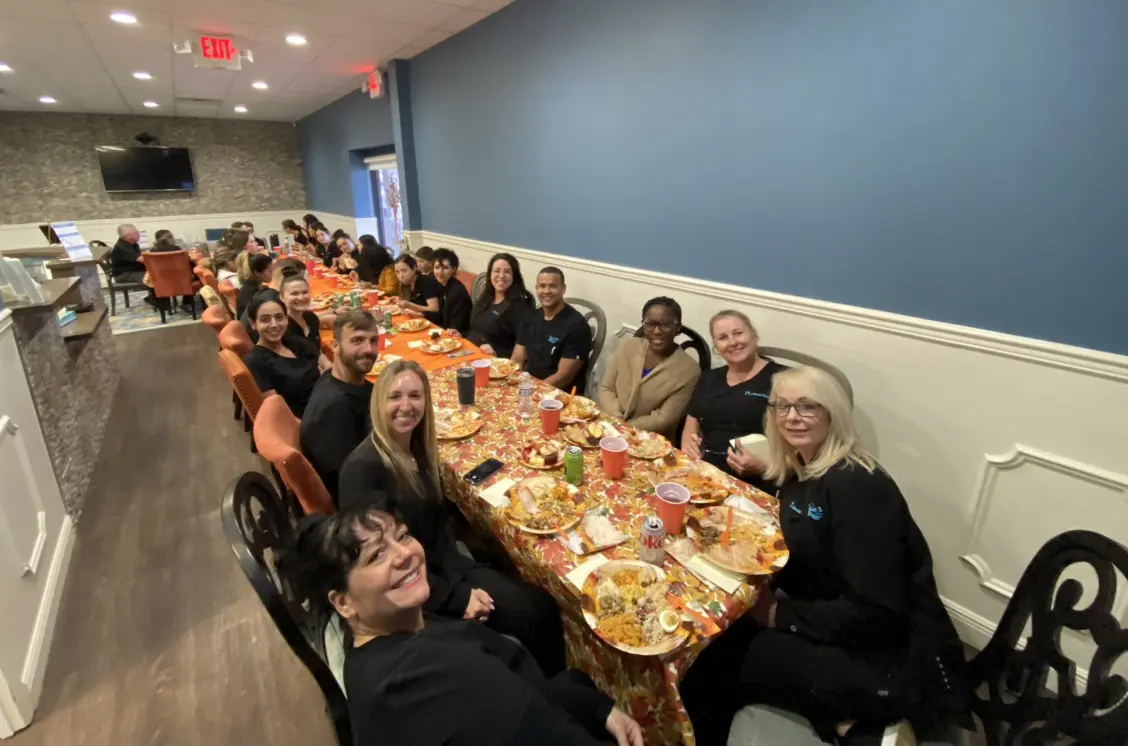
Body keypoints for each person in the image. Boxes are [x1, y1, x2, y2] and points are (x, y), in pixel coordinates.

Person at [680, 367, 971, 746]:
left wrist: (777, 614)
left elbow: (878, 612)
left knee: (714, 664)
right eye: (782, 406)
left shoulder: (857, 487)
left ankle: (867, 720)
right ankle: (835, 716)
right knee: (716, 638)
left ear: (833, 413)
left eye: (807, 406)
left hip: (882, 655)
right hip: (831, 616)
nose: (792, 416)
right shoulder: (805, 468)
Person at [278, 496, 644, 746]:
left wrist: (597, 709)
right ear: (344, 603)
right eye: (376, 556)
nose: (405, 554)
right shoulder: (428, 680)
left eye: (402, 536)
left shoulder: (389, 631)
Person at [339, 360, 566, 676]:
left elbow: (436, 529)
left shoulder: (415, 449)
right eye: (395, 397)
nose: (406, 406)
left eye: (415, 396)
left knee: (538, 596)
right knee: (536, 614)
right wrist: (457, 598)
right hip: (417, 594)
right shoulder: (365, 470)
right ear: (379, 403)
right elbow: (384, 566)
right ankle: (547, 695)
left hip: (444, 565)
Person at [681, 309, 786, 492]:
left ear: (754, 335)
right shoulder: (708, 378)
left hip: (755, 483)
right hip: (703, 475)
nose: (733, 342)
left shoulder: (782, 379)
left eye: (738, 333)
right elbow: (691, 424)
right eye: (723, 337)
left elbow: (802, 448)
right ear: (716, 347)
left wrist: (765, 465)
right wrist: (688, 447)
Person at [300, 310, 380, 504]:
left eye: (373, 340)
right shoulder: (336, 408)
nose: (368, 349)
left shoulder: (329, 377)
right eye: (357, 340)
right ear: (335, 346)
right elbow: (354, 482)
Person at [596, 297, 700, 440]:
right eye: (650, 324)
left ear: (678, 328)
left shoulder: (689, 369)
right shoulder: (628, 346)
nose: (657, 331)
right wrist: (617, 418)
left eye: (666, 324)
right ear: (643, 326)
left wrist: (626, 428)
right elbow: (606, 388)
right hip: (609, 425)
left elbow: (663, 419)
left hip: (649, 441)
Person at [511, 267, 591, 395]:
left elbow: (563, 378)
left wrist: (530, 392)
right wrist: (514, 385)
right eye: (542, 286)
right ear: (537, 288)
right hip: (528, 387)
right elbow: (517, 359)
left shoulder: (577, 327)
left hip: (559, 396)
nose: (547, 291)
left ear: (563, 289)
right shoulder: (530, 318)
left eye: (553, 286)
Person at [242, 291, 319, 417]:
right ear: (253, 324)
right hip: (306, 420)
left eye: (279, 317)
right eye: (265, 320)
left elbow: (319, 359)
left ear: (286, 319)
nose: (274, 325)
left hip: (322, 402)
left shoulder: (292, 341)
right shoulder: (255, 361)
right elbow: (278, 413)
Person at [466, 253, 535, 359]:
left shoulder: (521, 306)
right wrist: (460, 334)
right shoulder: (486, 297)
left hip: (496, 364)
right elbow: (475, 328)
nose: (501, 276)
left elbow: (524, 349)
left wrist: (496, 352)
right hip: (468, 353)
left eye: (507, 272)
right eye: (497, 271)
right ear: (490, 274)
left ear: (514, 276)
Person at [279, 274, 331, 371]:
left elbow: (317, 351)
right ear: (281, 297)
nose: (301, 297)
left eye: (305, 292)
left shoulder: (311, 318)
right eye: (294, 293)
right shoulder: (281, 327)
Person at [427, 248, 472, 333]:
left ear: (454, 269)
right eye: (437, 267)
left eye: (445, 268)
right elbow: (437, 314)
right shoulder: (439, 284)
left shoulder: (458, 292)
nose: (440, 272)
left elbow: (456, 326)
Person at [235, 252, 273, 319]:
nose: (273, 273)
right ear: (257, 272)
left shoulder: (249, 285)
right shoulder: (255, 292)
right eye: (270, 271)